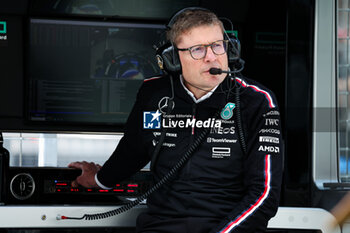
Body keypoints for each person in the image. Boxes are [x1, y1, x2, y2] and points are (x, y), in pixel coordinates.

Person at [69, 8, 283, 233]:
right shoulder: (153, 94)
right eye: (198, 50)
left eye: (218, 45)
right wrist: (100, 179)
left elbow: (264, 194)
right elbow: (133, 151)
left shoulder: (257, 101)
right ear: (173, 59)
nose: (212, 57)